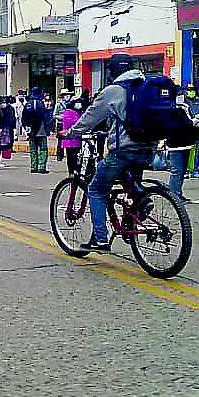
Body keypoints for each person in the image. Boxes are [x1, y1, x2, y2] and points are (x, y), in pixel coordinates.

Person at [75, 54, 155, 251]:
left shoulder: (113, 91)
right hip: (148, 149)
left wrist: (69, 133)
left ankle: (100, 240)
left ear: (113, 71)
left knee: (96, 189)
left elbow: (89, 118)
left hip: (124, 151)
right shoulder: (147, 87)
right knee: (128, 182)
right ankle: (138, 205)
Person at [21, 87, 53, 173]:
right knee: (43, 149)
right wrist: (49, 128)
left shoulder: (28, 104)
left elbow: (23, 118)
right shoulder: (41, 104)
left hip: (31, 131)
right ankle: (41, 167)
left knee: (33, 149)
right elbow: (45, 117)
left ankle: (33, 167)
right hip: (41, 130)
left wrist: (27, 128)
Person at [179, 84, 199, 178]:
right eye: (189, 90)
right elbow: (185, 116)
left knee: (197, 151)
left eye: (193, 90)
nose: (191, 92)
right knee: (187, 151)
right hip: (187, 131)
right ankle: (186, 170)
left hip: (197, 130)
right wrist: (194, 120)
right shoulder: (183, 103)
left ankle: (195, 170)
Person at [58, 95, 84, 176]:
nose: (79, 104)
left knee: (73, 158)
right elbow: (77, 124)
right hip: (72, 140)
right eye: (77, 102)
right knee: (73, 158)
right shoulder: (70, 113)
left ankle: (73, 173)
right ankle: (72, 173)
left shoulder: (75, 112)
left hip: (73, 140)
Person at [0, 96, 15, 165]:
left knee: (0, 144)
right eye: (3, 103)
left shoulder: (0, 109)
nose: (4, 104)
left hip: (0, 129)